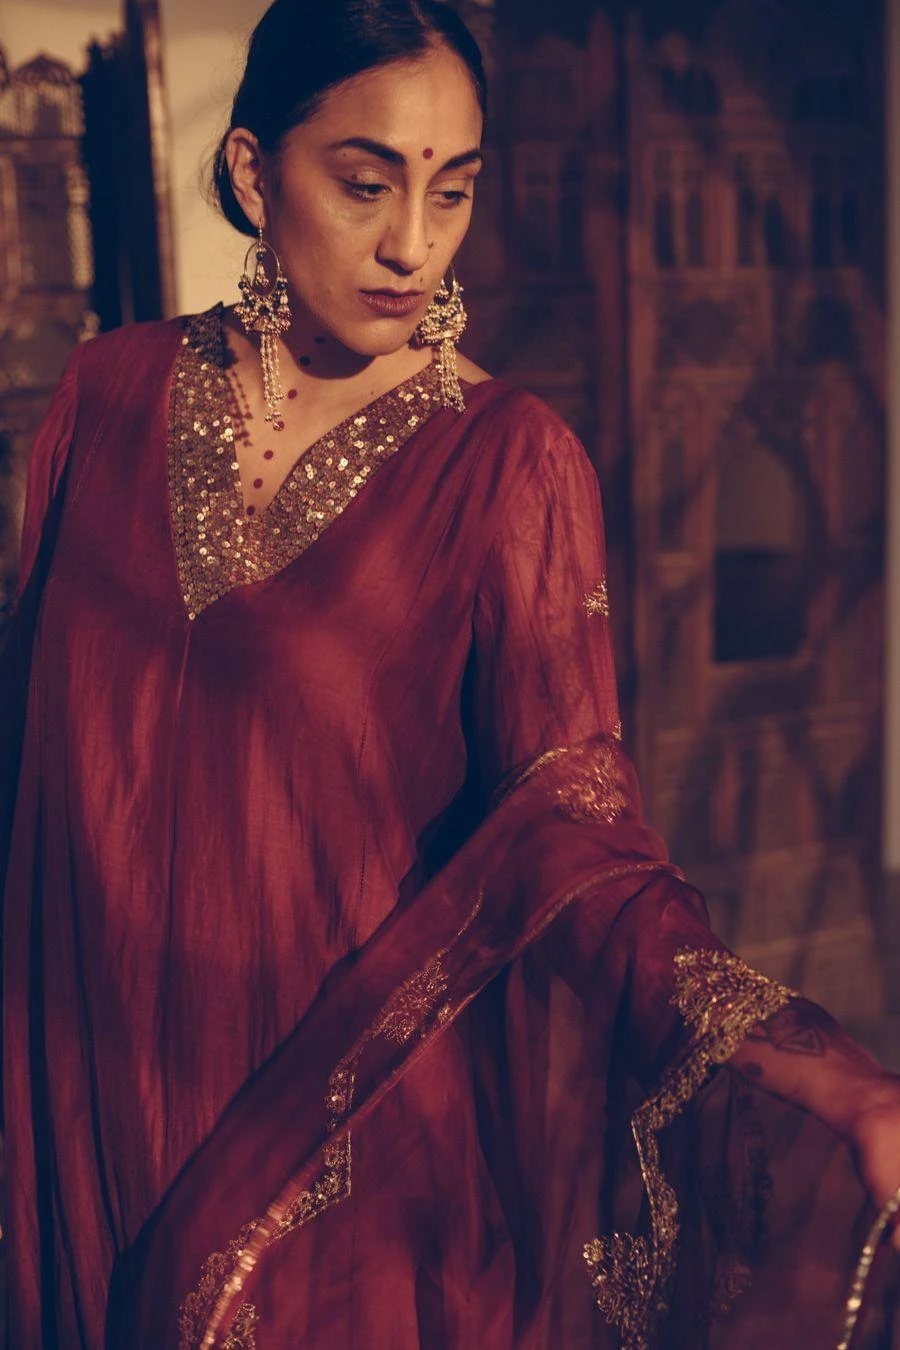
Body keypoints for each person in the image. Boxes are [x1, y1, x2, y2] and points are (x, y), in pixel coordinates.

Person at [1, 2, 898, 1346]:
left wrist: (829, 1080)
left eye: (453, 189)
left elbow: (577, 840)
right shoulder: (103, 399)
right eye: (366, 184)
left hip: (341, 1174)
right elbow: (28, 758)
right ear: (253, 171)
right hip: (86, 1109)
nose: (414, 243)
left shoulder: (507, 464)